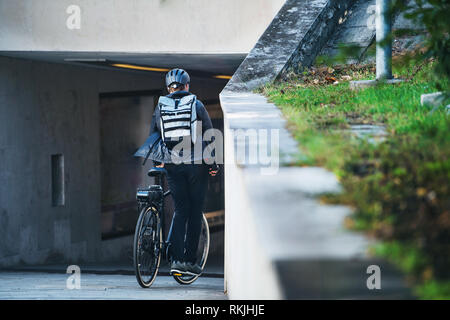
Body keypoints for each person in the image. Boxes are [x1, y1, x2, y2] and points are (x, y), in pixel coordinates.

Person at [148, 68, 218, 276]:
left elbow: (153, 136)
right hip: (196, 164)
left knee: (180, 210)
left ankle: (176, 260)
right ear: (187, 86)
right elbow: (209, 135)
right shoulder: (196, 104)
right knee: (195, 212)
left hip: (172, 164)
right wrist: (213, 164)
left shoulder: (161, 107)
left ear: (168, 87)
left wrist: (158, 162)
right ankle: (189, 261)